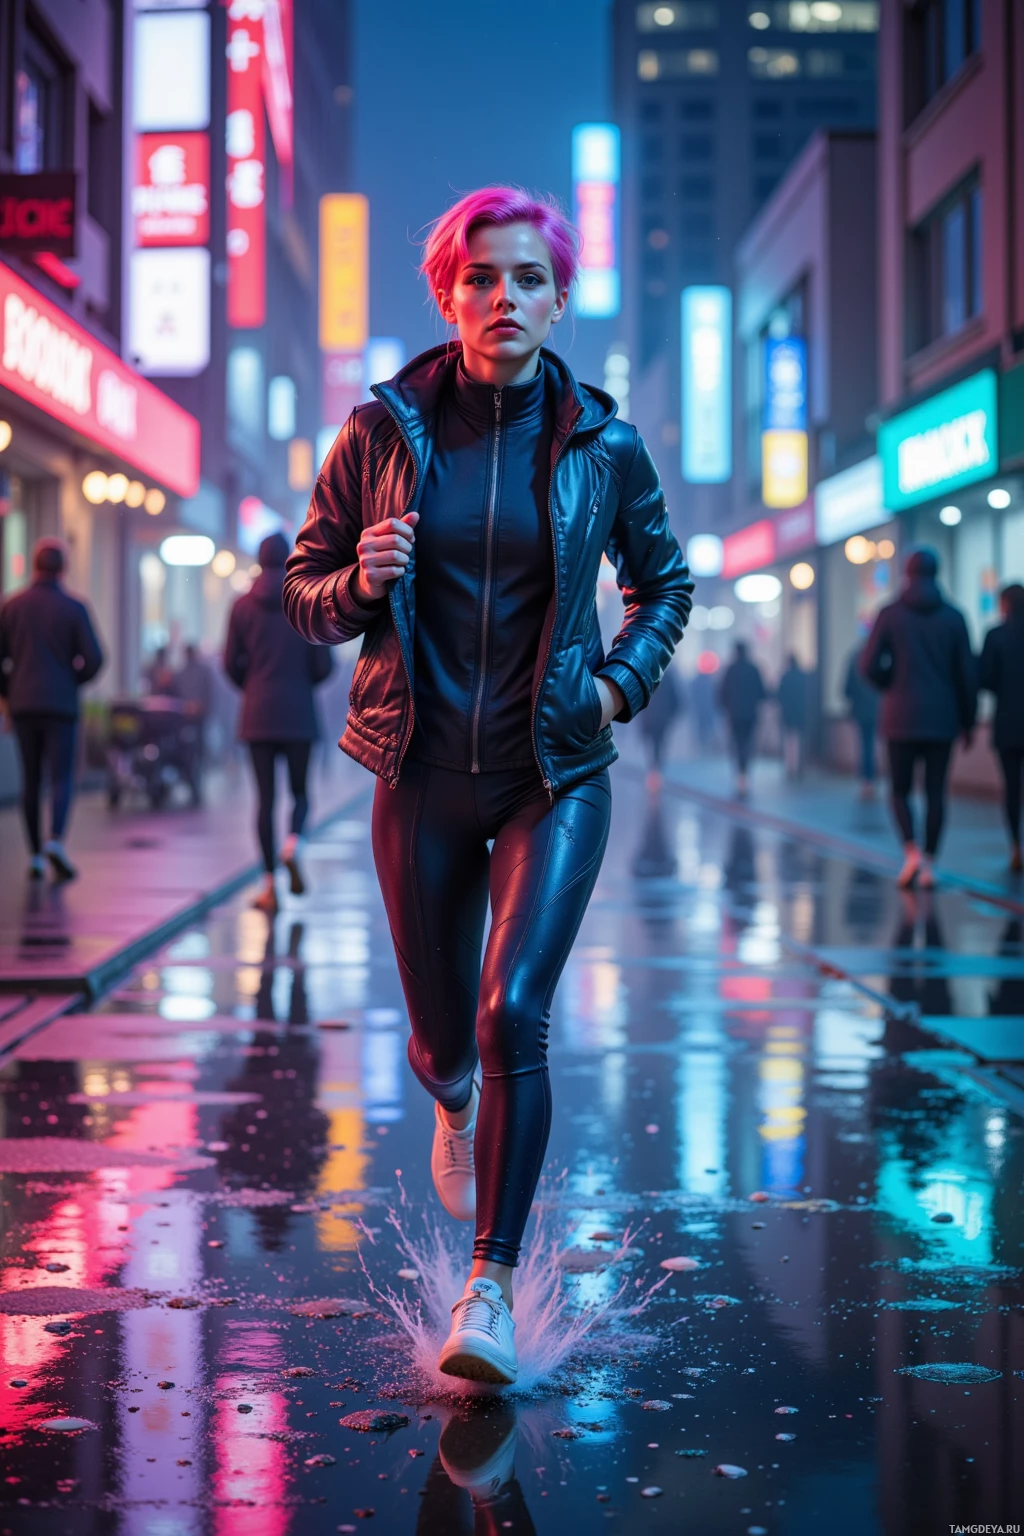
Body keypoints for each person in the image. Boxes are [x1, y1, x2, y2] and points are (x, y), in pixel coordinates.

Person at [283, 186, 692, 1386]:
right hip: (414, 772)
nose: (502, 296)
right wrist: (358, 581)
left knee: (514, 1013)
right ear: (447, 294)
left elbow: (662, 586)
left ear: (559, 298)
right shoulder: (382, 433)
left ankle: (490, 1288)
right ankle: (454, 1102)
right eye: (480, 277)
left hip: (551, 775)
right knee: (438, 1042)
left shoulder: (602, 444)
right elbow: (304, 593)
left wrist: (613, 693)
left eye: (525, 278)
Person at [224, 531, 333, 915]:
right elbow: (324, 665)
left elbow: (230, 663)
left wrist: (253, 687)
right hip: (299, 714)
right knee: (301, 793)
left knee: (264, 801)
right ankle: (294, 844)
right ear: (290, 558)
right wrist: (301, 684)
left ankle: (269, 886)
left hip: (257, 715)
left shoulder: (241, 606)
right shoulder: (304, 602)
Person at [860, 545, 975, 889]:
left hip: (900, 717)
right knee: (937, 792)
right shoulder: (954, 617)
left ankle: (910, 852)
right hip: (942, 719)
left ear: (906, 573)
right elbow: (966, 674)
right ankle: (929, 863)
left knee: (899, 790)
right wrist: (968, 722)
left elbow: (867, 664)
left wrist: (889, 684)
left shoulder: (890, 614)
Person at [0, 537, 103, 880]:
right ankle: (55, 840)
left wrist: (9, 693)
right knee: (60, 777)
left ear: (34, 566)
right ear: (64, 569)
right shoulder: (74, 608)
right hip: (61, 704)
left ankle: (34, 856)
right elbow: (95, 659)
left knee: (31, 779)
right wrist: (72, 679)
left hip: (24, 704)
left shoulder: (12, 606)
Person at [978, 582, 1024, 872]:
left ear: (1004, 605)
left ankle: (1016, 845)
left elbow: (985, 678)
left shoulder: (996, 636)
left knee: (1012, 787)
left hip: (1008, 722)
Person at [718, 639, 766, 797]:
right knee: (747, 742)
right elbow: (762, 692)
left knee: (737, 743)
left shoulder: (730, 670)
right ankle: (745, 773)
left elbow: (722, 693)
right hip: (750, 714)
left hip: (734, 714)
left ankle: (740, 774)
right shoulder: (754, 669)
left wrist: (726, 708)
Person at [637, 657, 684, 790]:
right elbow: (676, 700)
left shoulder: (647, 676)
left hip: (650, 718)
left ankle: (654, 770)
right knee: (660, 743)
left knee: (653, 744)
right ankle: (656, 770)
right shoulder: (667, 678)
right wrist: (671, 716)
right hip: (662, 719)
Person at [844, 633, 880, 799]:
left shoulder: (854, 657)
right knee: (871, 744)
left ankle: (866, 781)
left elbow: (847, 686)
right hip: (876, 709)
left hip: (860, 709)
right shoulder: (878, 657)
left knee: (864, 744)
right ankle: (870, 780)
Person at [776, 653, 809, 779]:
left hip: (788, 713)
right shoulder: (803, 677)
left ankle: (790, 766)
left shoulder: (785, 677)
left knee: (789, 740)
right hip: (800, 712)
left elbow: (779, 695)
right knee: (800, 740)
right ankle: (799, 766)